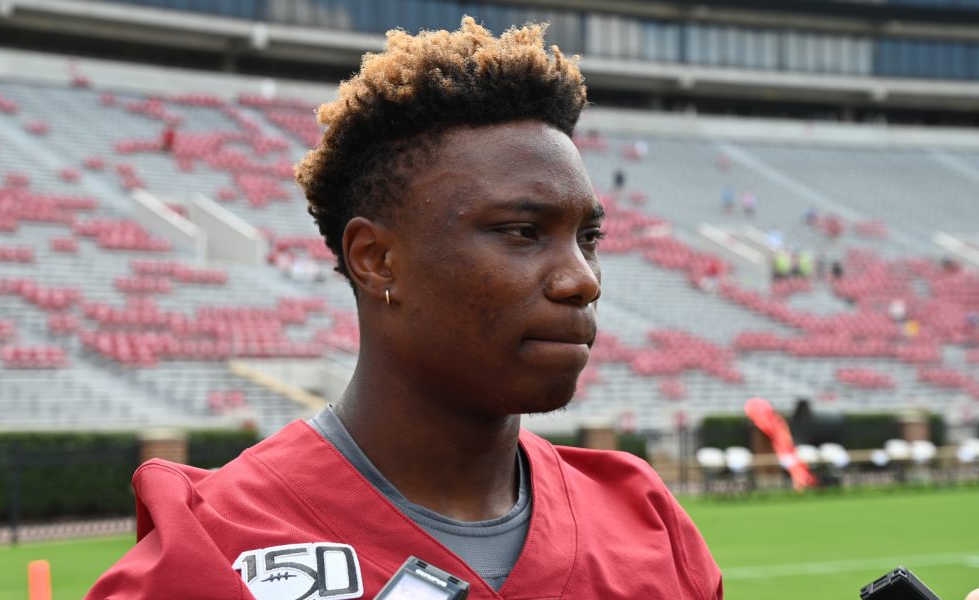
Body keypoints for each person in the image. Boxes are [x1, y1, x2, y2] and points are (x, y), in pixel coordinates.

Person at [88, 17, 723, 600]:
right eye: (522, 232)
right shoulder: (209, 553)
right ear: (376, 259)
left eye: (589, 238)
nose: (582, 280)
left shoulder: (647, 521)